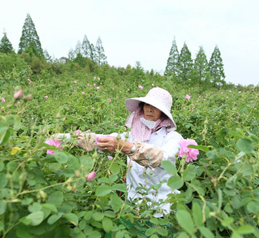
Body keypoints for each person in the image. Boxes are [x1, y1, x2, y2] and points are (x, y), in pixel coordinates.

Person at [77, 87, 183, 216]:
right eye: (147, 104)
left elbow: (161, 157)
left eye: (155, 106)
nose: (149, 109)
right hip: (132, 207)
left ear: (163, 112)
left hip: (162, 210)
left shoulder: (173, 138)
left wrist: (127, 147)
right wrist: (63, 138)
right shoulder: (132, 135)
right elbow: (103, 140)